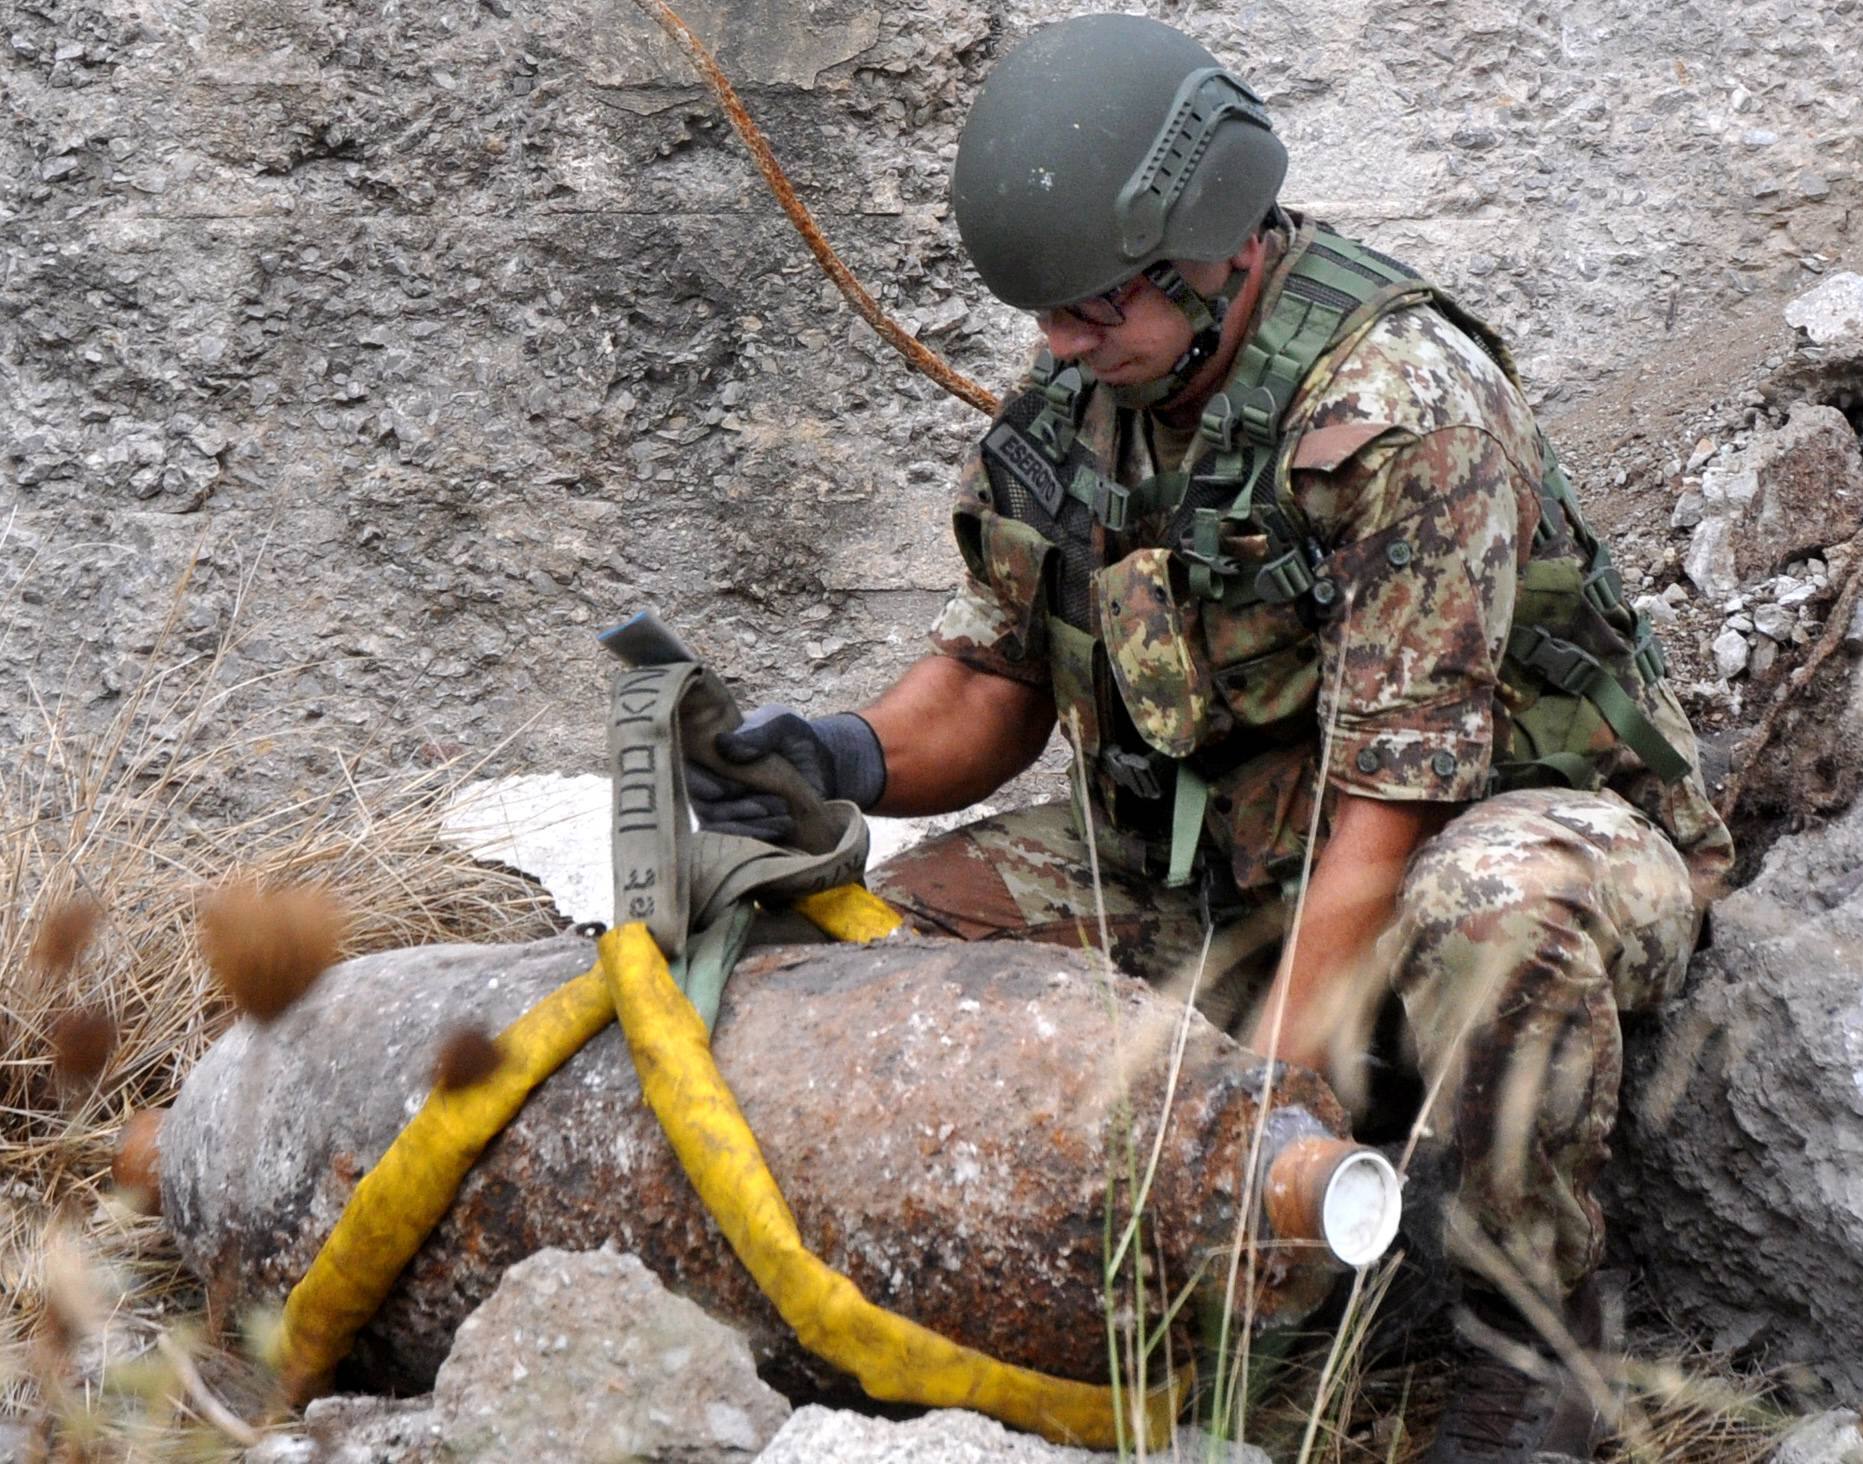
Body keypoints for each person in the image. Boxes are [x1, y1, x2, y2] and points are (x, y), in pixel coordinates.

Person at [687, 14, 1733, 1459]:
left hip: (1489, 830)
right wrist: (837, 760)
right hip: (1221, 859)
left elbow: (1389, 813)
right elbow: (993, 686)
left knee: (1494, 909)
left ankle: (1530, 1346)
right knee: (866, 953)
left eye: (1096, 305)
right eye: (1050, 312)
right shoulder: (1080, 406)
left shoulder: (1401, 410)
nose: (1060, 341)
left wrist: (1263, 1126)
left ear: (1214, 240)